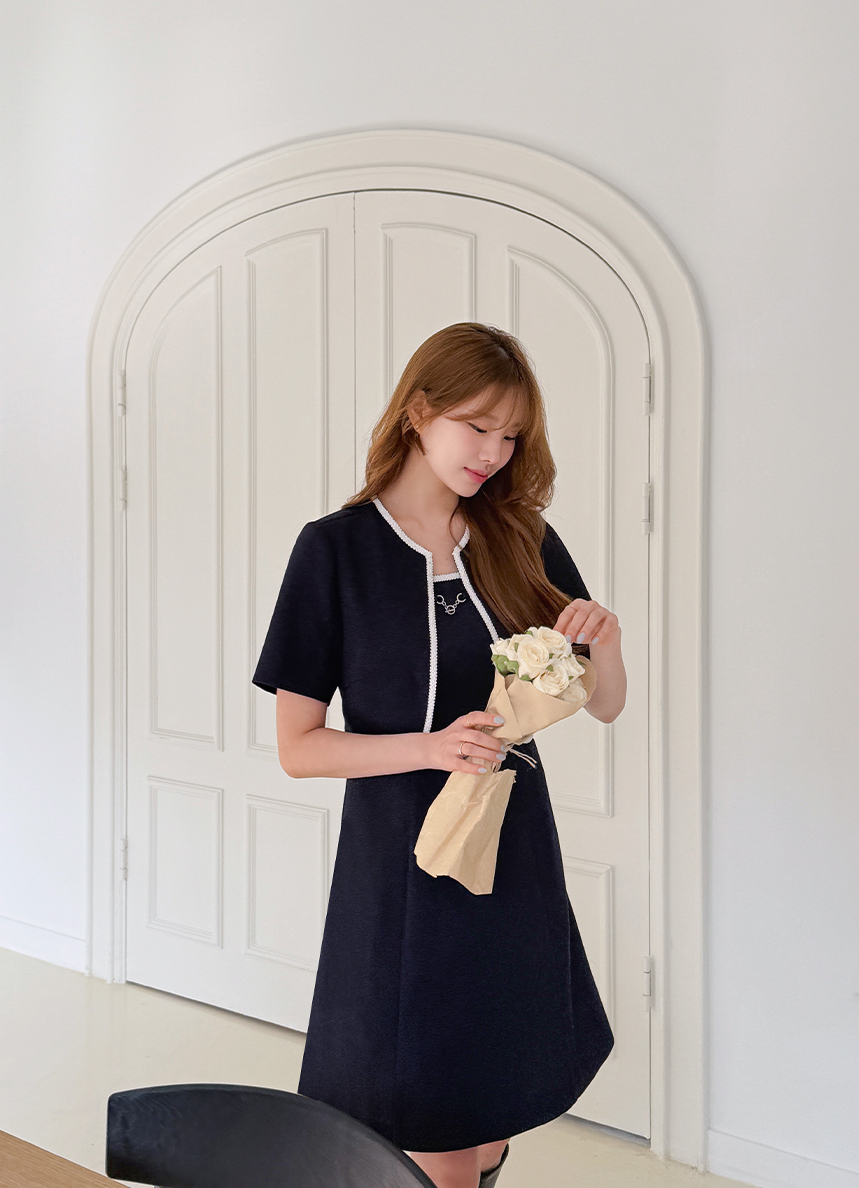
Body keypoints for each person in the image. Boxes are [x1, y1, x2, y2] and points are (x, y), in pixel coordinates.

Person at [252, 322, 626, 1188]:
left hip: (511, 856)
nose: (494, 453)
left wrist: (605, 643)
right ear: (419, 412)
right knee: (421, 1114)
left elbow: (605, 704)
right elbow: (298, 749)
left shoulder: (520, 535)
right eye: (477, 426)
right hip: (401, 867)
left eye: (512, 436)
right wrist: (430, 747)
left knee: (485, 1118)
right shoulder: (335, 550)